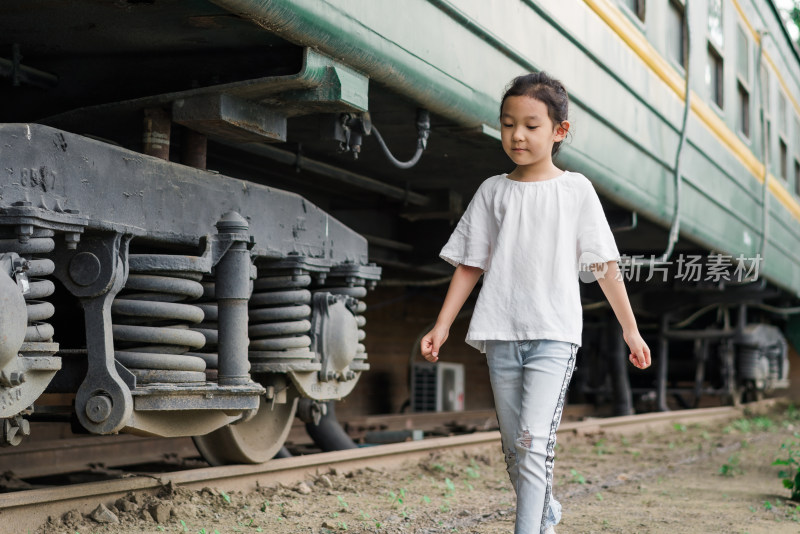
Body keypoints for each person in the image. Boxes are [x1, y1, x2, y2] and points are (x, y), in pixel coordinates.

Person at [420, 72, 651, 534]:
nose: (517, 135)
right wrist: (442, 324)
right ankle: (545, 513)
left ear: (559, 131)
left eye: (530, 125)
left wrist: (630, 329)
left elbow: (604, 265)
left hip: (554, 335)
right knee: (514, 446)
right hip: (501, 332)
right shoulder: (492, 191)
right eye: (508, 124)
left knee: (533, 440)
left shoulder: (576, 191)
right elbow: (471, 263)